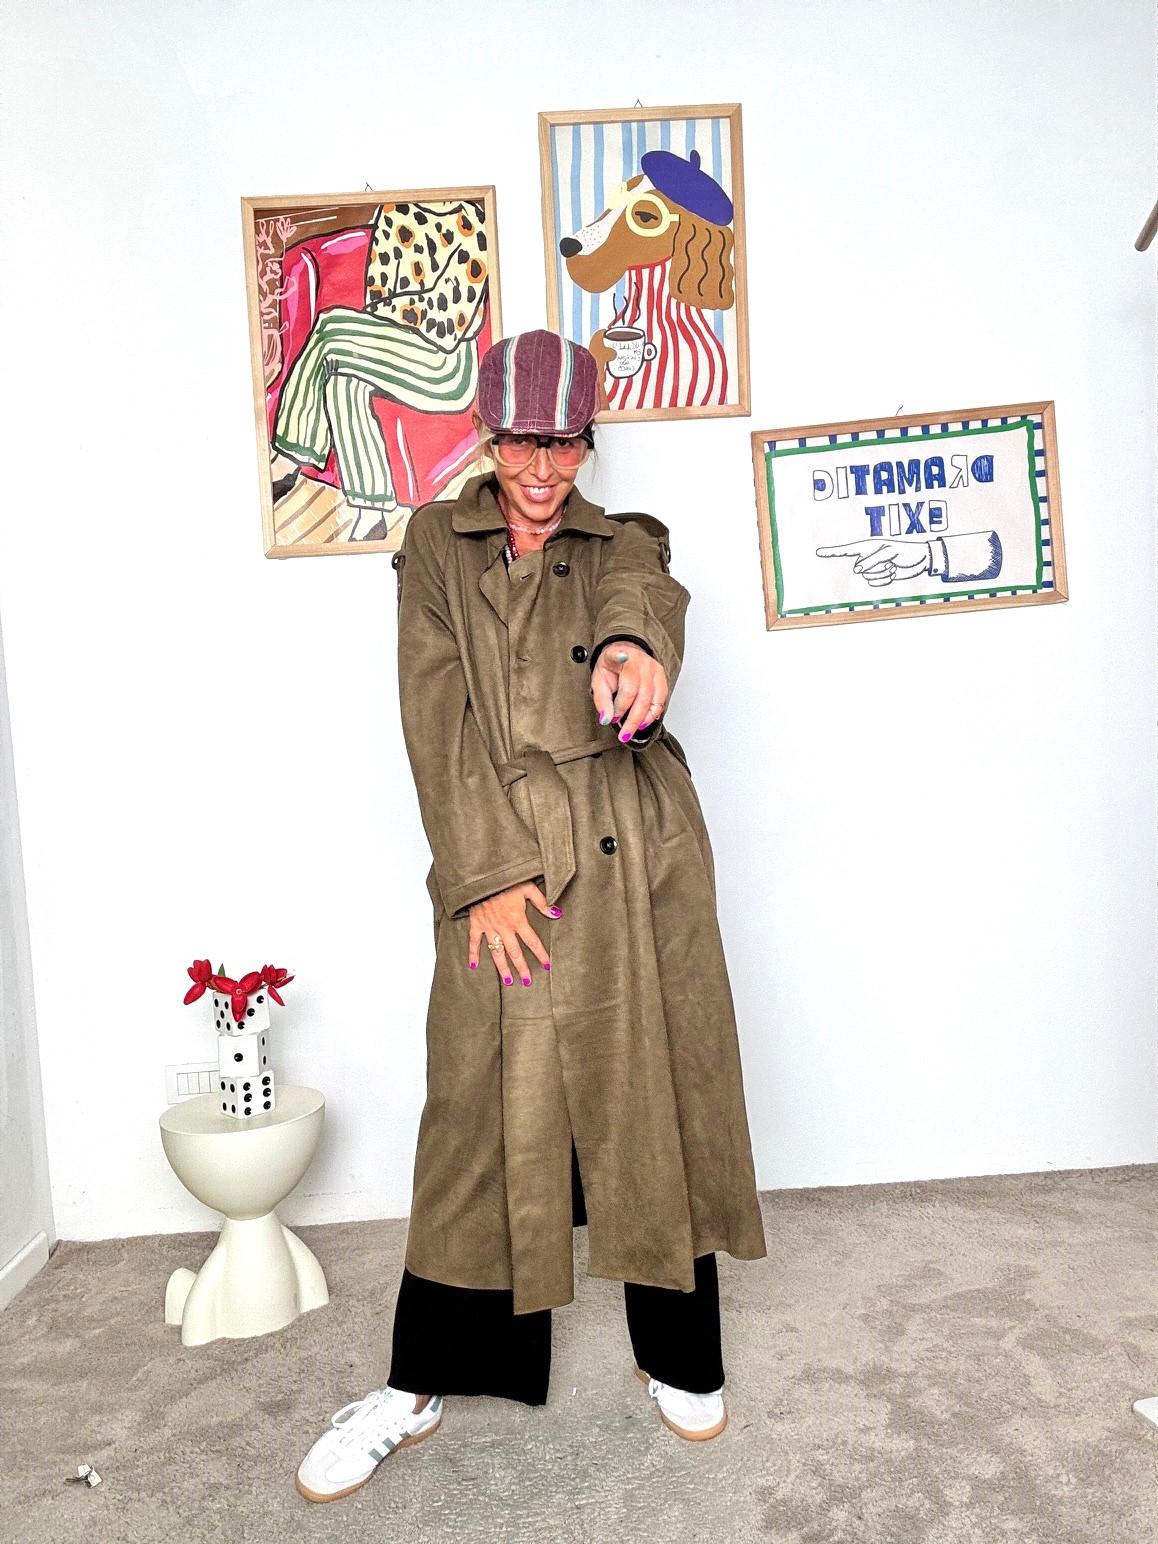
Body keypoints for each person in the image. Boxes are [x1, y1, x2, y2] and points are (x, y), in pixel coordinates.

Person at [295, 329, 766, 1504]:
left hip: (632, 851)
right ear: (487, 434)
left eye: (563, 442)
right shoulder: (435, 544)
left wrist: (633, 650)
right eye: (520, 441)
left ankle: (680, 1352)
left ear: (587, 442)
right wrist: (489, 871)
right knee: (476, 1106)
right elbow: (435, 713)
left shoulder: (625, 537)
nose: (542, 468)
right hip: (498, 849)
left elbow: (642, 598)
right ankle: (420, 1382)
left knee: (647, 1087)